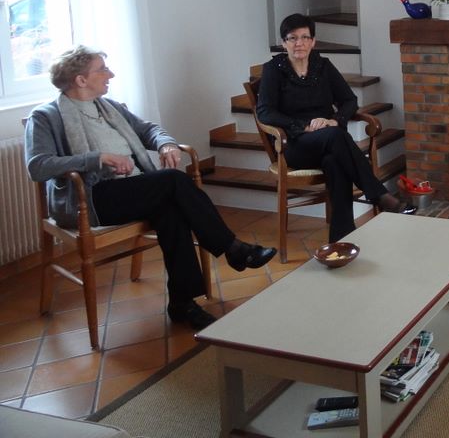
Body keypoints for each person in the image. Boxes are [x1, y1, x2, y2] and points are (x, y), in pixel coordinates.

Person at [25, 46, 276, 330]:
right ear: (81, 80)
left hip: (132, 189)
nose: (111, 74)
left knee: (172, 211)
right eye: (102, 69)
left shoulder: (109, 107)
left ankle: (182, 303)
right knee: (173, 180)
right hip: (90, 198)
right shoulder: (45, 116)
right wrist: (97, 158)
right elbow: (38, 166)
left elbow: (149, 130)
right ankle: (232, 248)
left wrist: (165, 143)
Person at [255, 13, 415, 241]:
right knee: (336, 137)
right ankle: (379, 195)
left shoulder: (323, 66)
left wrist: (335, 120)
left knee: (335, 160)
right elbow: (265, 112)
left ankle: (342, 238)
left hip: (329, 142)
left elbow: (349, 100)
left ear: (313, 41)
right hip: (294, 144)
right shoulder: (274, 70)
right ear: (284, 43)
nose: (299, 43)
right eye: (292, 38)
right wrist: (303, 126)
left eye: (304, 37)